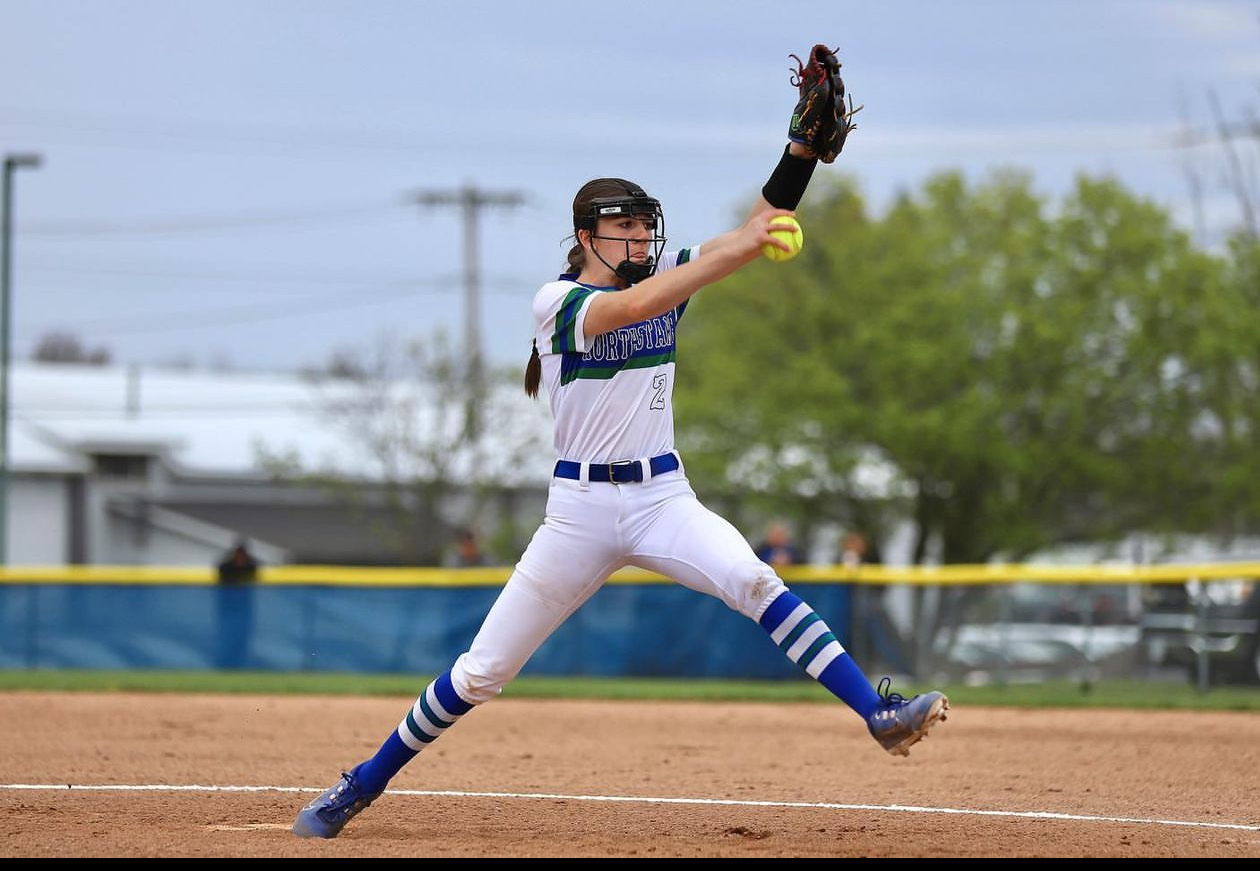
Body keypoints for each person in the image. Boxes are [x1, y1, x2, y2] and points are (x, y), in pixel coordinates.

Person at [293, 58, 949, 840]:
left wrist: (799, 155)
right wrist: (729, 257)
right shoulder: (559, 302)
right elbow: (644, 301)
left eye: (645, 225)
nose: (640, 237)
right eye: (623, 226)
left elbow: (751, 224)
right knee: (482, 672)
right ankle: (359, 784)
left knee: (751, 575)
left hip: (660, 497)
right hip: (577, 512)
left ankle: (875, 711)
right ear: (585, 235)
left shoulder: (662, 268)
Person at [215, 540, 259, 669]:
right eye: (237, 555)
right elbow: (220, 568)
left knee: (242, 640)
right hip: (227, 610)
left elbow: (254, 568)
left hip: (243, 611)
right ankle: (224, 665)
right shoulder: (226, 567)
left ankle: (241, 666)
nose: (239, 558)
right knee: (226, 639)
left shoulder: (250, 567)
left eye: (242, 555)